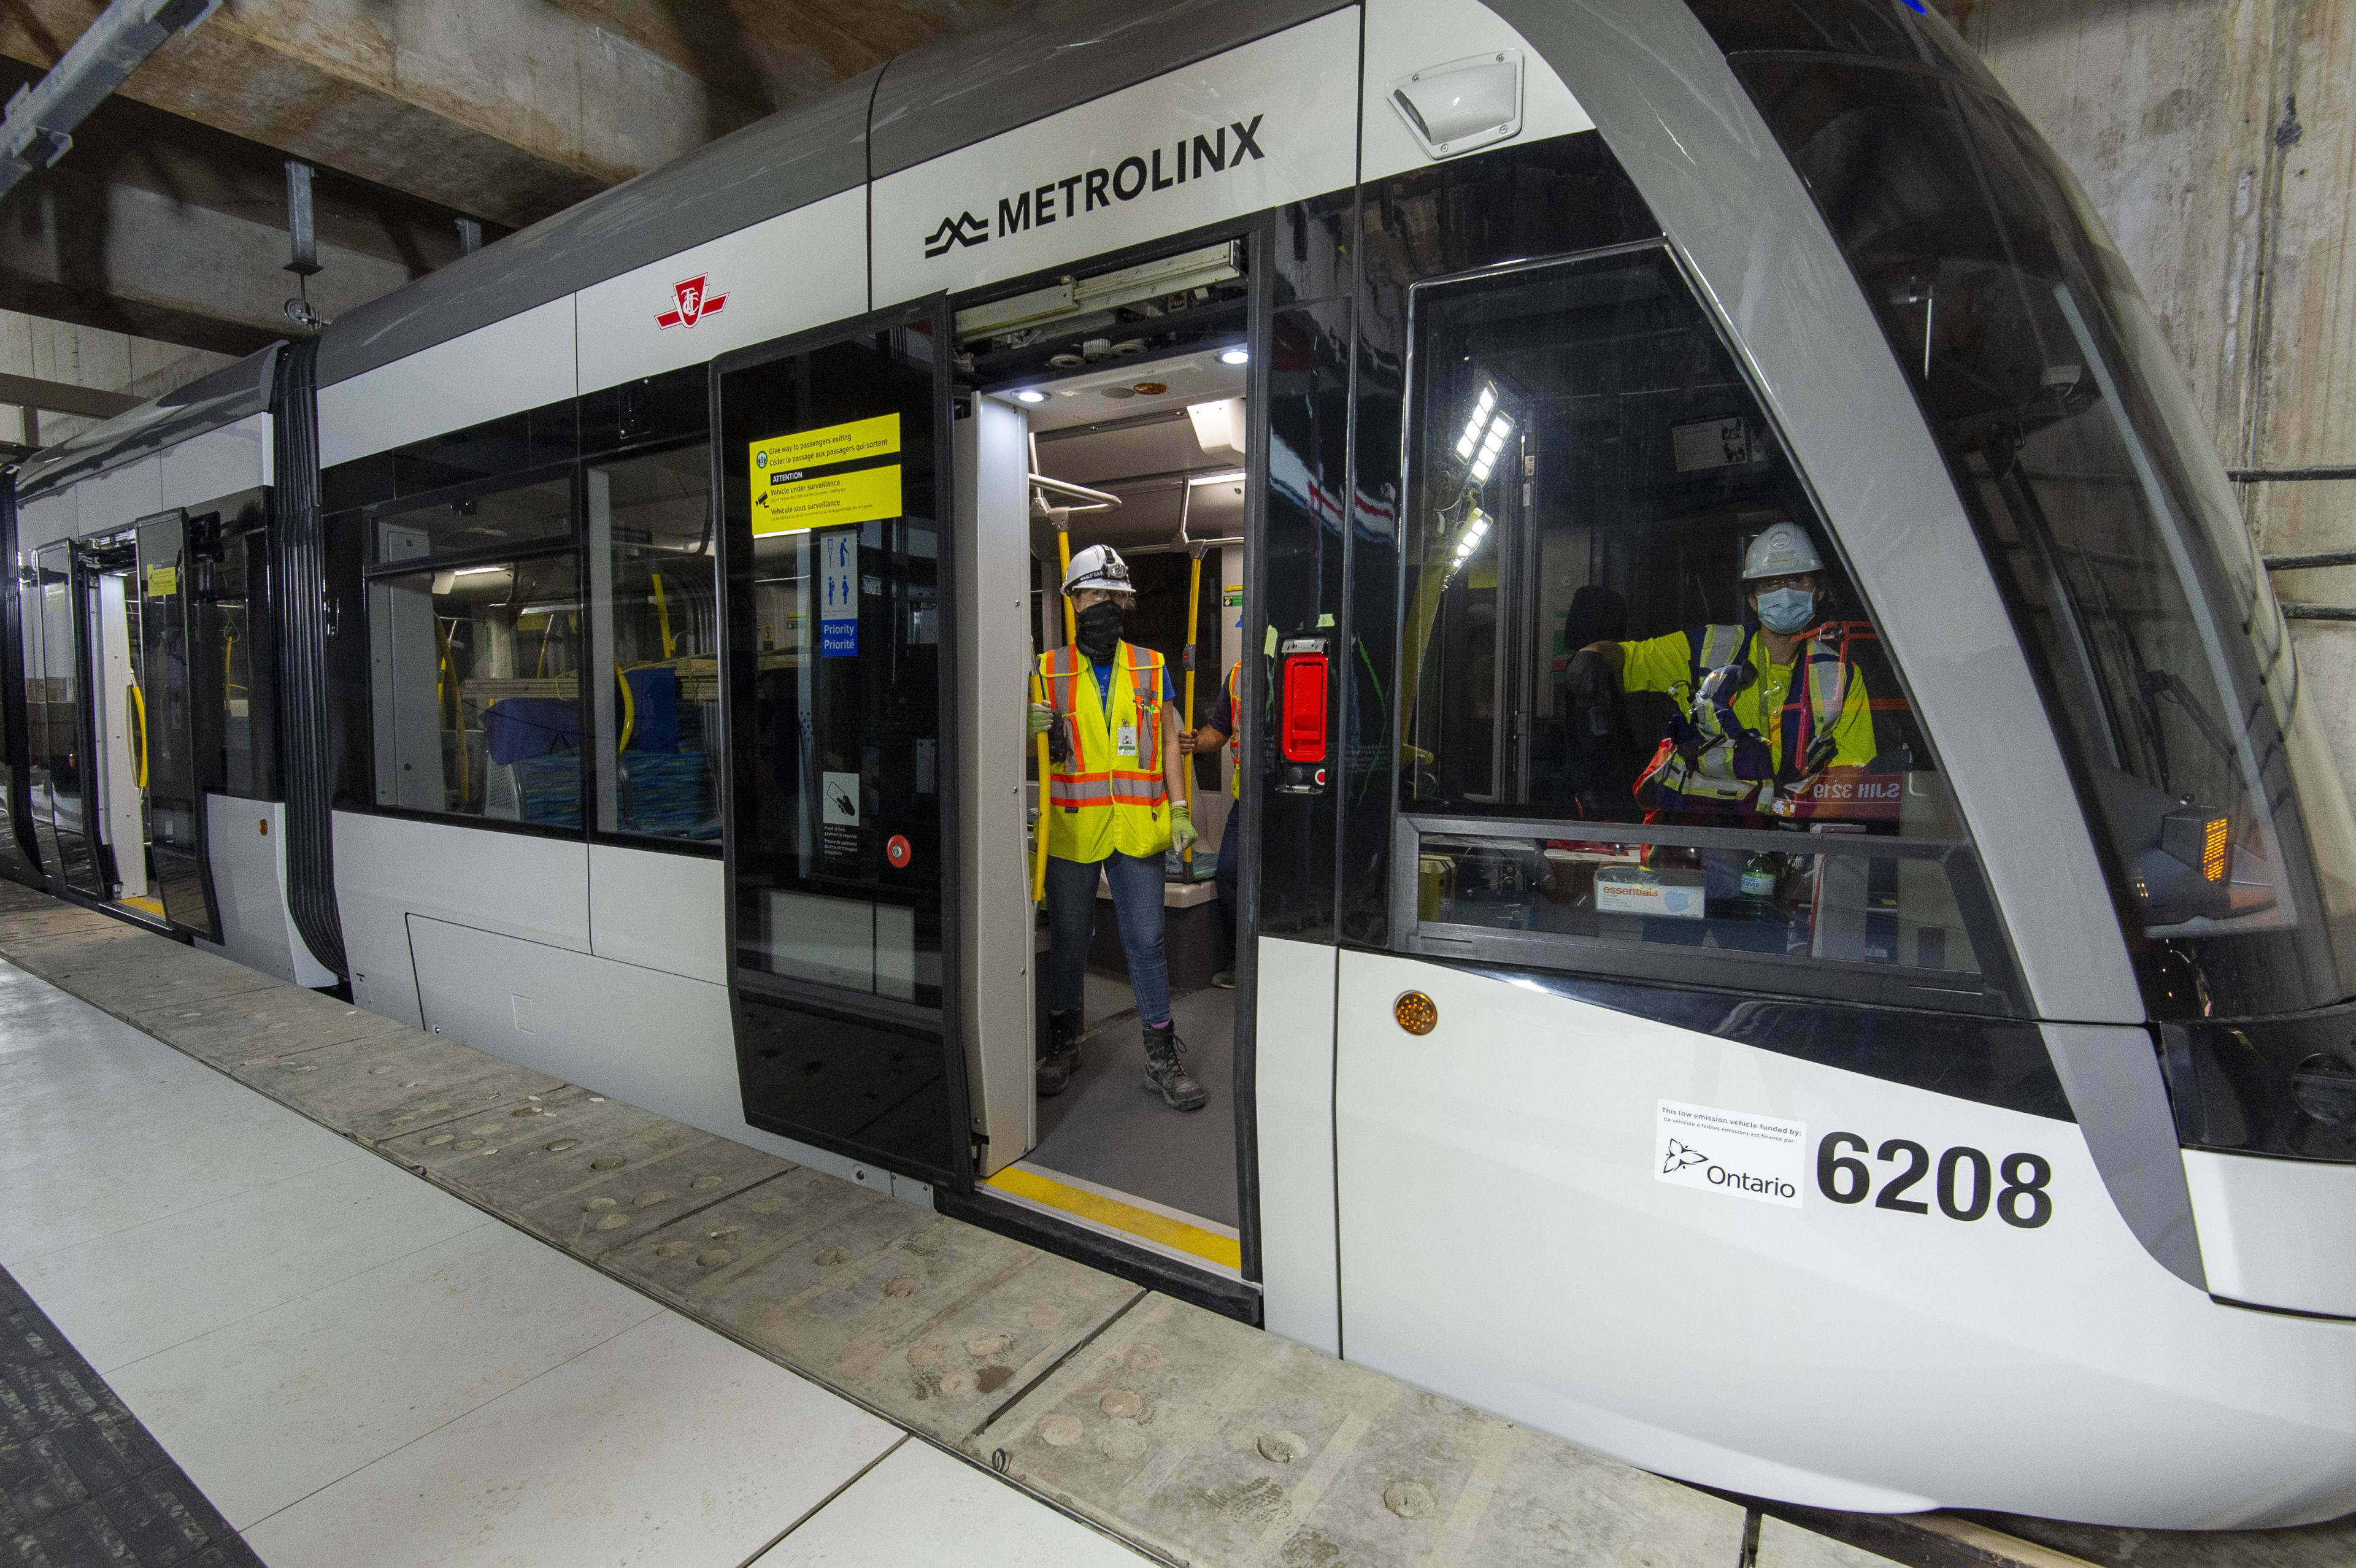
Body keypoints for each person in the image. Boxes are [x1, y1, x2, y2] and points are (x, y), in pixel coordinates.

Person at [1562, 521, 1877, 901]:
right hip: (1686, 853)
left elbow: (1849, 773)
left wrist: (1804, 859)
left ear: (1820, 591)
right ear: (1752, 598)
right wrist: (1595, 654)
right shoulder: (1707, 649)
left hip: (1772, 860)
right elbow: (1630, 656)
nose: (1785, 593)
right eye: (1771, 584)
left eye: (1798, 581)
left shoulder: (1841, 675)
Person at [1028, 545, 1206, 1112]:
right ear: (1074, 601)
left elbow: (1171, 747)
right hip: (1074, 832)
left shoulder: (1152, 667)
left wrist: (1181, 811)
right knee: (1071, 941)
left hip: (1138, 830)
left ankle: (1161, 1059)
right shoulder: (1047, 670)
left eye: (1112, 595)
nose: (1102, 604)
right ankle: (1064, 1042)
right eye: (1092, 594)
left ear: (1125, 602)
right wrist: (1025, 725)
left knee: (1147, 942)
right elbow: (1034, 753)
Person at [1180, 657, 1242, 989]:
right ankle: (1243, 960)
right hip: (1247, 800)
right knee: (1230, 872)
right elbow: (1219, 730)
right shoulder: (1239, 673)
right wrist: (1196, 741)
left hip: (1296, 800)